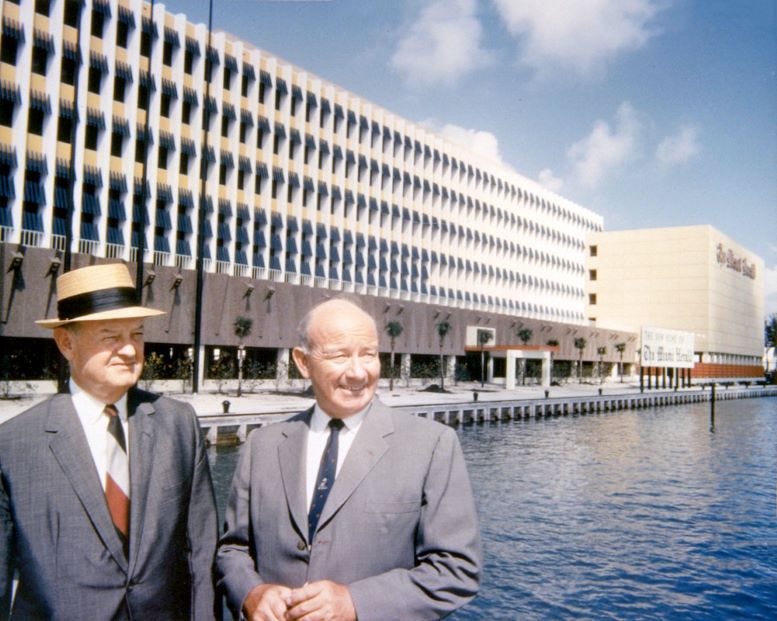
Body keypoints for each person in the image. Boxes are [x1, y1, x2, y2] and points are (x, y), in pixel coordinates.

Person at [216, 298, 481, 621]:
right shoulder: (263, 445)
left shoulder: (432, 445)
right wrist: (251, 593)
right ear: (303, 362)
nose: (358, 372)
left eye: (368, 354)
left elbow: (456, 570)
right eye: (340, 355)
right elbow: (232, 549)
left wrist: (355, 602)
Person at [0, 262, 219, 619]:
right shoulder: (13, 445)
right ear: (66, 342)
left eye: (136, 334)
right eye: (110, 336)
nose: (131, 350)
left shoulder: (178, 425)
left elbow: (203, 549)